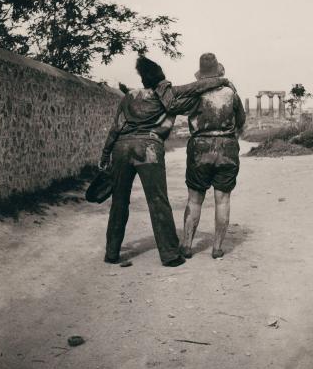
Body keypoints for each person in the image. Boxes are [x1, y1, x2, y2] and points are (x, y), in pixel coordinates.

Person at [99, 55, 234, 267]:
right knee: (158, 201)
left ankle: (112, 253)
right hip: (149, 149)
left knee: (119, 201)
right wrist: (222, 81)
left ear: (143, 80)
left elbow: (115, 128)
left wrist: (105, 155)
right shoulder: (165, 95)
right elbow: (195, 87)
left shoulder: (129, 96)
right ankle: (170, 255)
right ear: (160, 80)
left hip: (121, 148)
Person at [180, 53, 246, 260]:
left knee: (195, 199)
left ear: (201, 74)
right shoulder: (231, 93)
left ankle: (187, 246)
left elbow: (177, 108)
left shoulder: (194, 95)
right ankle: (217, 248)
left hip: (200, 149)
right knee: (223, 199)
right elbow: (241, 121)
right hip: (227, 148)